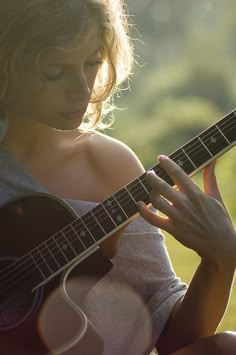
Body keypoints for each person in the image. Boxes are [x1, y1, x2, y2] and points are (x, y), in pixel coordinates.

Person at [0, 0, 235, 354]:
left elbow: (176, 338)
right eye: (54, 71)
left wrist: (222, 258)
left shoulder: (109, 166)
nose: (81, 88)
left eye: (92, 62)